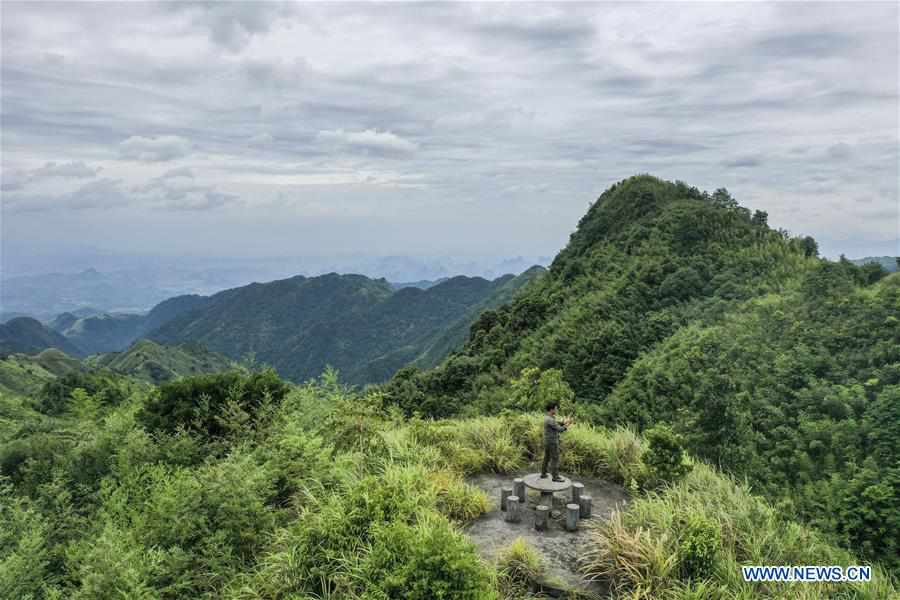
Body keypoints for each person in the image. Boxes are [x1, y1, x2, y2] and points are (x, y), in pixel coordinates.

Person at [541, 401, 572, 482]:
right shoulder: (550, 419)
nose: (556, 410)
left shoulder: (548, 418)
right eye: (555, 408)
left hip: (548, 441)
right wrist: (567, 425)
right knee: (555, 459)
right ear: (551, 409)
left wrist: (563, 422)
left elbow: (556, 424)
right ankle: (555, 477)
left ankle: (543, 473)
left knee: (547, 457)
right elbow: (560, 429)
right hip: (552, 442)